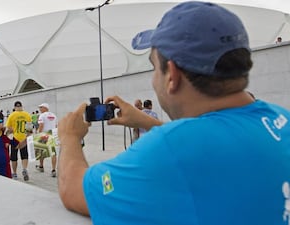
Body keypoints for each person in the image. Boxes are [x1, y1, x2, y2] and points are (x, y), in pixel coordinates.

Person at [57, 2, 290, 225]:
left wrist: (70, 137)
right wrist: (148, 122)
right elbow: (207, 144)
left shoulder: (169, 149)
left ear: (172, 75)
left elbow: (73, 189)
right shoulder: (280, 119)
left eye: (154, 67)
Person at [5, 101, 32, 181]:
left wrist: (13, 130)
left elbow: (9, 127)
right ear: (21, 106)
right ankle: (24, 169)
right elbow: (30, 129)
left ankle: (14, 173)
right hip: (24, 137)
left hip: (15, 138)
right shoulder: (27, 115)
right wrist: (27, 137)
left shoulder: (12, 115)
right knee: (24, 155)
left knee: (14, 157)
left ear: (15, 107)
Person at [35, 103, 58, 177]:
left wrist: (38, 134)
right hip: (53, 134)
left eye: (41, 107)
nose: (40, 109)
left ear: (45, 108)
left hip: (44, 135)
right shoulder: (54, 115)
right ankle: (53, 169)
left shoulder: (42, 115)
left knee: (41, 151)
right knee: (53, 153)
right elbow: (56, 126)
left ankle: (41, 166)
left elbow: (41, 125)